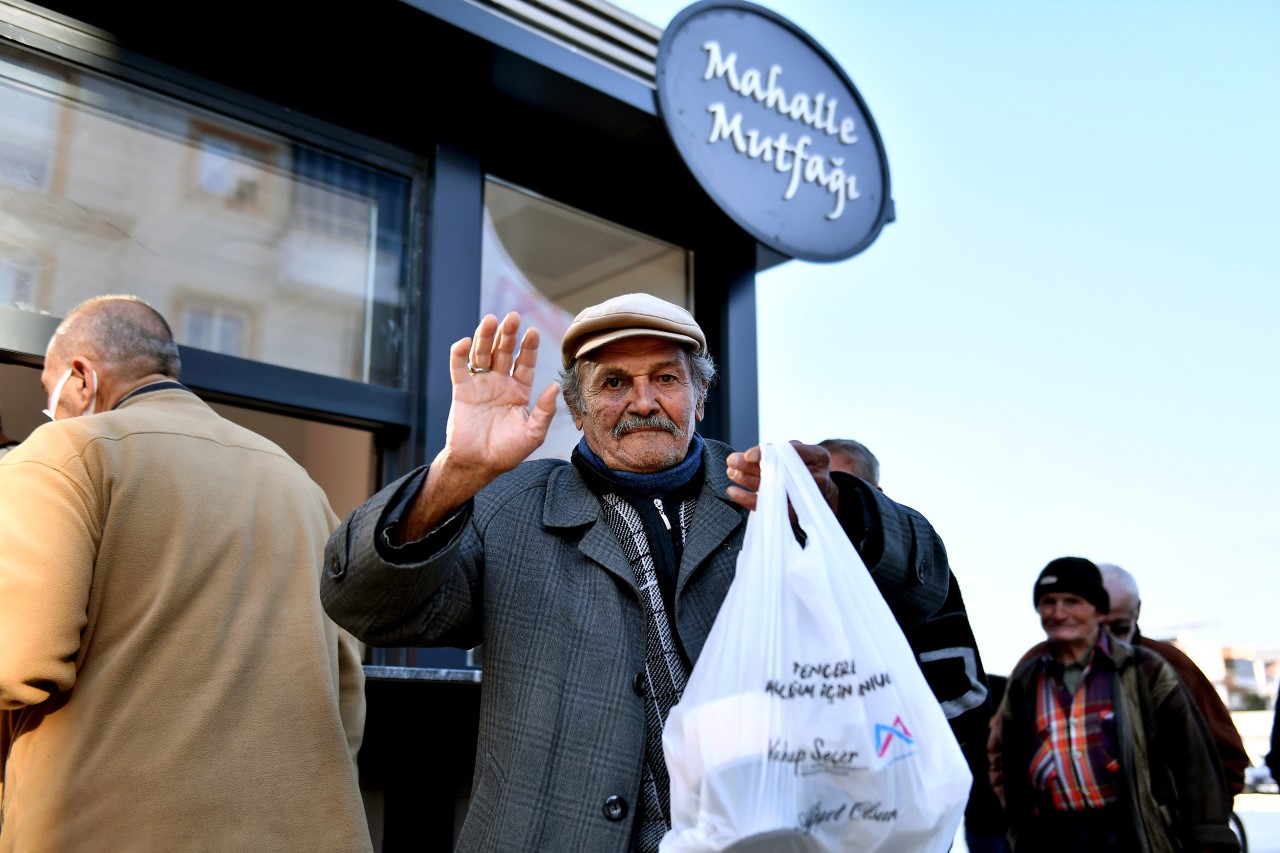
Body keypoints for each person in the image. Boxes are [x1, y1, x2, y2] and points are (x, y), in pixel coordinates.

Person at [322, 293, 955, 852]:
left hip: (763, 833)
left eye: (666, 378)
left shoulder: (766, 493)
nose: (643, 401)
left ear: (699, 398)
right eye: (614, 383)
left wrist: (839, 507)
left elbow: (923, 585)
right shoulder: (507, 507)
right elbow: (365, 605)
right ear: (578, 406)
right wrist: (455, 474)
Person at [0, 295, 371, 852]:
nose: (50, 410)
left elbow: (18, 660)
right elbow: (347, 693)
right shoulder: (300, 485)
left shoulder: (66, 452)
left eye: (49, 390)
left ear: (81, 376)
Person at [818, 436, 997, 840]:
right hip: (819, 819)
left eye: (835, 486)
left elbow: (966, 698)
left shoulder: (922, 584)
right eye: (812, 489)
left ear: (874, 497)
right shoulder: (794, 582)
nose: (823, 500)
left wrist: (879, 758)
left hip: (904, 813)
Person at [996, 556, 1238, 852]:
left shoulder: (1159, 667)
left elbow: (1218, 759)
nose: (1104, 637)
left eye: (1119, 627)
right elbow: (1003, 760)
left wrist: (1194, 833)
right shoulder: (1031, 672)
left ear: (1137, 612)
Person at [1097, 562, 1249, 800]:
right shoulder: (1040, 668)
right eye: (1096, 628)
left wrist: (1191, 824)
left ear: (1136, 611)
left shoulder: (1168, 664)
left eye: (1119, 628)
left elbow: (1228, 759)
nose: (1106, 644)